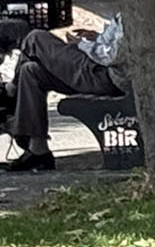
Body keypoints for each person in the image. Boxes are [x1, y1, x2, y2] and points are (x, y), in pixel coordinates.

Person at [4, 14, 131, 172]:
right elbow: (117, 47)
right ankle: (38, 149)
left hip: (106, 76)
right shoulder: (127, 13)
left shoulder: (135, 16)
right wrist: (97, 38)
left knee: (35, 38)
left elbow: (111, 56)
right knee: (30, 70)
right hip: (99, 71)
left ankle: (10, 92)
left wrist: (82, 45)